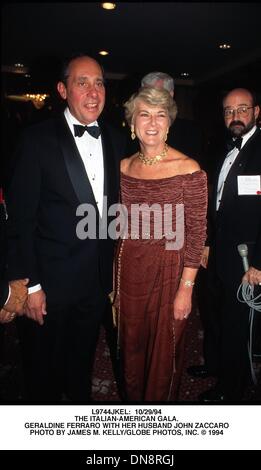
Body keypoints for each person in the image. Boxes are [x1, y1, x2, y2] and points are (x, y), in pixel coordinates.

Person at [6, 54, 126, 403]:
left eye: (100, 82)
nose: (93, 92)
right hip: (49, 285)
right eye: (82, 82)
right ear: (62, 89)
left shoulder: (117, 141)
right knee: (43, 371)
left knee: (81, 365)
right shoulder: (36, 140)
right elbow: (20, 219)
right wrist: (29, 284)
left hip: (96, 283)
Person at [113, 86, 207, 401]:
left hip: (171, 271)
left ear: (169, 124)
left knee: (165, 352)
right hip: (130, 271)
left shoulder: (188, 168)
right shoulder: (124, 167)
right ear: (131, 122)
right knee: (131, 346)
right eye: (144, 114)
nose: (152, 122)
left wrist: (187, 288)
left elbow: (195, 233)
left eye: (160, 115)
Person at [193, 88, 261, 402]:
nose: (235, 116)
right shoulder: (223, 147)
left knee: (236, 324)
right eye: (228, 110)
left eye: (242, 109)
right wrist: (207, 242)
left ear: (257, 112)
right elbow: (216, 200)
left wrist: (259, 262)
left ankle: (230, 389)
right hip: (219, 249)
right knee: (215, 314)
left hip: (247, 257)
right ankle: (216, 365)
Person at [126, 71, 204, 162]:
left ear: (171, 95)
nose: (151, 99)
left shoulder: (190, 133)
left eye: (158, 93)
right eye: (146, 93)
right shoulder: (124, 142)